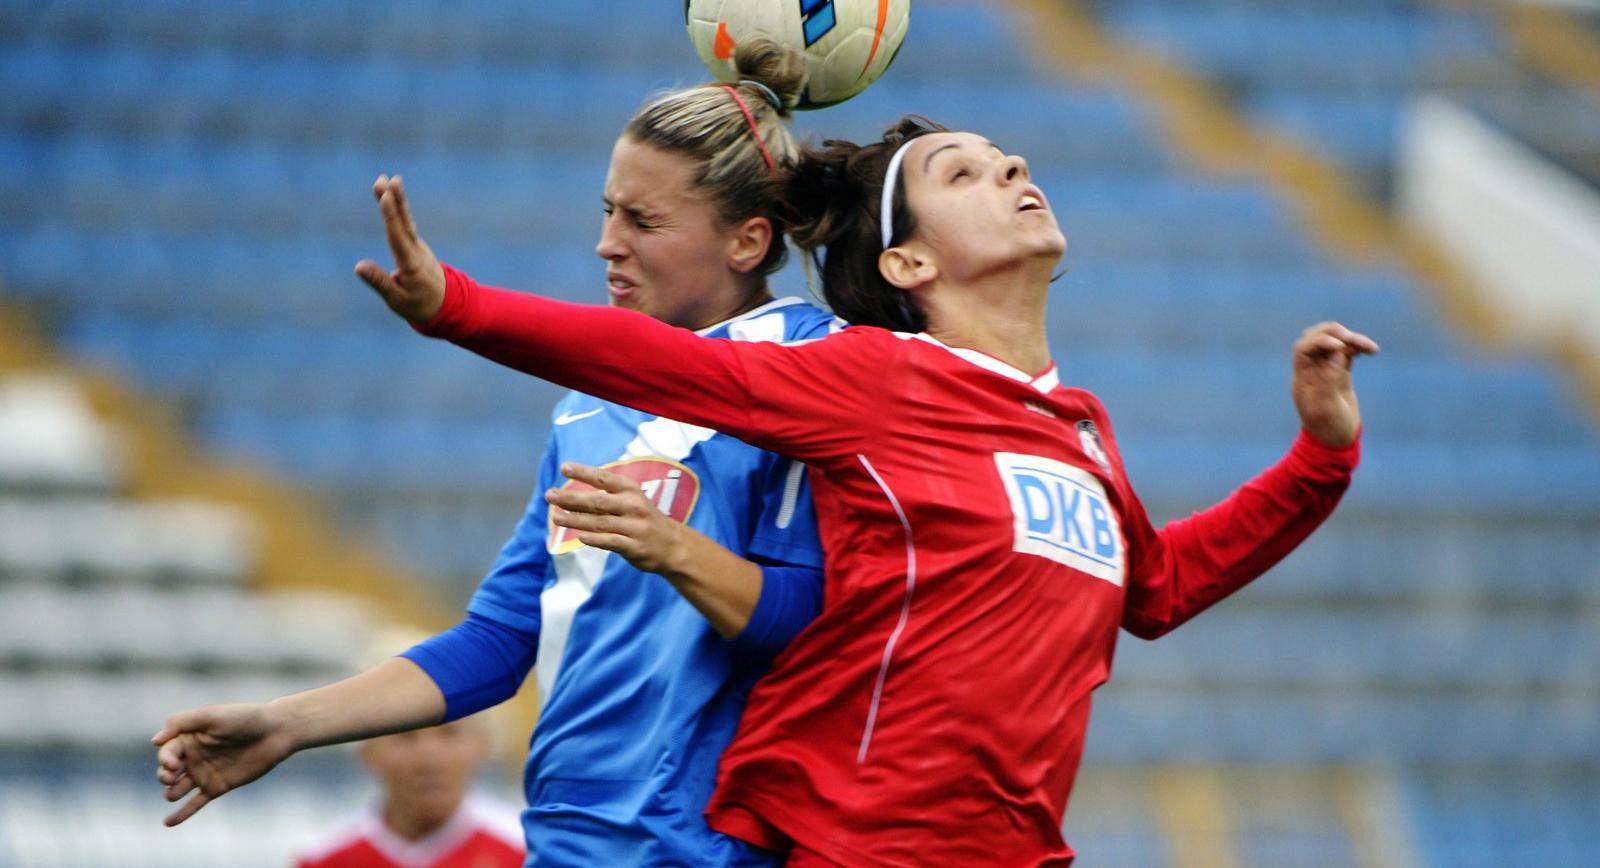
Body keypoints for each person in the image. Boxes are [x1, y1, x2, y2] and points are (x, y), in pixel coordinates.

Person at [354, 114, 1380, 866]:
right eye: (962, 171)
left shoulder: (1079, 430)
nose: (1013, 166)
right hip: (863, 843)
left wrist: (1317, 461)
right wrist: (458, 306)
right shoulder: (876, 378)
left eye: (1005, 158)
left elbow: (1154, 589)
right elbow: (663, 363)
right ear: (908, 257)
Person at [154, 37, 835, 866]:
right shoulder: (589, 409)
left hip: (712, 849)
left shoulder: (816, 372)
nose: (606, 244)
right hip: (568, 845)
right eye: (607, 210)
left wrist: (677, 553)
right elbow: (503, 637)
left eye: (643, 221)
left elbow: (817, 622)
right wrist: (290, 723)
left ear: (747, 241)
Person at [295, 718, 524, 868]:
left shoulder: (527, 849)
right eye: (405, 736)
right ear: (367, 753)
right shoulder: (324, 858)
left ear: (482, 745)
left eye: (449, 733)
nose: (429, 759)